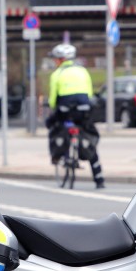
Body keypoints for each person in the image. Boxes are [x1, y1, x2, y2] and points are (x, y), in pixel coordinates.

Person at [46, 43, 104, 189]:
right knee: (88, 135)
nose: (55, 61)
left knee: (53, 126)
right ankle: (99, 179)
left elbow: (53, 98)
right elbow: (89, 94)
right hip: (83, 110)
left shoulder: (57, 74)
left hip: (65, 110)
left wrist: (53, 109)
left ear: (61, 59)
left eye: (56, 59)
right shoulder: (83, 71)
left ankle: (56, 155)